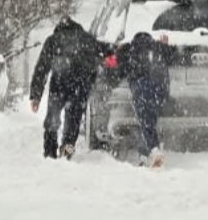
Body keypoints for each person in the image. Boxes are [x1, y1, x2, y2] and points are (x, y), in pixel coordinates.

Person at [30, 16, 112, 160]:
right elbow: (105, 50)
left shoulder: (53, 40)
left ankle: (49, 152)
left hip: (59, 86)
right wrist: (119, 51)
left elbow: (41, 69)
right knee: (73, 122)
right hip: (80, 86)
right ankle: (67, 149)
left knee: (52, 119)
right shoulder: (86, 39)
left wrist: (36, 95)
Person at [117, 31, 173, 168]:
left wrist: (119, 52)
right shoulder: (158, 47)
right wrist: (165, 46)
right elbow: (172, 58)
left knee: (144, 121)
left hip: (141, 91)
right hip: (160, 91)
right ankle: (146, 154)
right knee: (148, 121)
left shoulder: (129, 49)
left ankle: (153, 150)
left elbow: (119, 72)